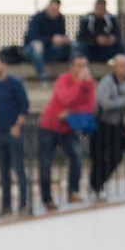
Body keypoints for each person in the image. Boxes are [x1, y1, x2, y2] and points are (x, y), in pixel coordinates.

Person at [38, 54, 95, 208]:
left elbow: (89, 107)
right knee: (45, 164)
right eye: (79, 65)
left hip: (67, 128)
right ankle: (47, 199)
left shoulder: (89, 83)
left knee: (77, 156)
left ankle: (72, 192)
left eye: (85, 65)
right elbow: (65, 99)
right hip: (49, 126)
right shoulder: (63, 79)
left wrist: (70, 113)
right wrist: (77, 83)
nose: (83, 69)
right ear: (71, 67)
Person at [91, 55, 125, 198]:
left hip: (118, 124)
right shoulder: (107, 81)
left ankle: (98, 183)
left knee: (117, 155)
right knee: (98, 156)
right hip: (101, 123)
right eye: (122, 66)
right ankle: (96, 186)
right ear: (115, 67)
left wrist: (119, 100)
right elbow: (105, 103)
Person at [0, 54, 31, 216]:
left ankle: (23, 204)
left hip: (13, 131)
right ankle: (6, 205)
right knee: (3, 170)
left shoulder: (15, 83)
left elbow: (24, 106)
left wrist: (17, 125)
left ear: (3, 65)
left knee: (18, 168)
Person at [23, 0, 72, 83]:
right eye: (52, 9)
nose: (54, 12)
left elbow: (61, 34)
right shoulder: (37, 18)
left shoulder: (60, 19)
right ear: (48, 7)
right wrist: (51, 39)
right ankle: (42, 77)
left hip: (50, 50)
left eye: (56, 10)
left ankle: (70, 76)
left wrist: (63, 40)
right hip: (32, 50)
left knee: (72, 46)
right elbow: (32, 36)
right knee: (37, 45)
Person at [76, 0, 125, 64]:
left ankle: (123, 64)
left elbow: (117, 34)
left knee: (121, 46)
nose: (99, 10)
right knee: (79, 46)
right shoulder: (86, 19)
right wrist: (95, 40)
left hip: (107, 48)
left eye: (101, 8)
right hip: (91, 48)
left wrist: (112, 39)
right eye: (97, 7)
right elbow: (81, 36)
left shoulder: (111, 19)